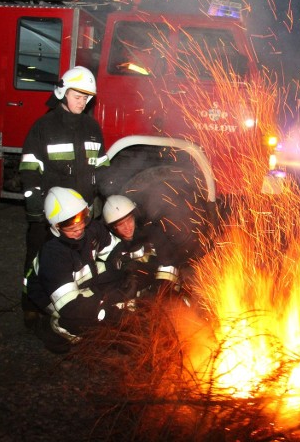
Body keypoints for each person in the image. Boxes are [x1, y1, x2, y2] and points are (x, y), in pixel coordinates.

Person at [19, 66, 109, 327]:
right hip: (51, 216)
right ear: (62, 92)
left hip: (81, 215)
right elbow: (29, 167)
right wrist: (34, 202)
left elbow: (101, 165)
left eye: (86, 98)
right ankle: (30, 306)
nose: (83, 102)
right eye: (77, 96)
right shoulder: (44, 127)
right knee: (36, 258)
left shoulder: (92, 128)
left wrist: (111, 186)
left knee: (80, 259)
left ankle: (74, 305)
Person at [24, 187, 134, 353]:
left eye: (81, 219)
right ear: (55, 227)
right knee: (80, 319)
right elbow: (71, 305)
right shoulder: (53, 254)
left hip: (81, 281)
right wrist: (105, 310)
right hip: (55, 298)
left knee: (121, 284)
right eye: (69, 226)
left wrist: (129, 267)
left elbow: (114, 250)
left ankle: (116, 328)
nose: (78, 228)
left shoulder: (91, 229)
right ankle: (53, 330)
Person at [102, 194, 183, 299]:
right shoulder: (115, 254)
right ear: (113, 228)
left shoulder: (152, 233)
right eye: (121, 224)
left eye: (129, 220)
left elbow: (170, 264)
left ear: (135, 216)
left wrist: (160, 291)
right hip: (139, 303)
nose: (127, 227)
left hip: (167, 290)